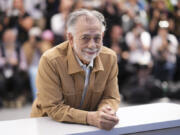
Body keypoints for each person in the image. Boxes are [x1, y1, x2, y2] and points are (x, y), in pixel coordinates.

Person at [31, 9, 120, 130]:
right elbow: (54, 108)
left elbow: (111, 97)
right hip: (49, 125)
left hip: (89, 128)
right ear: (70, 38)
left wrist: (105, 110)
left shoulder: (110, 58)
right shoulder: (51, 60)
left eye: (97, 38)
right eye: (85, 38)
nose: (92, 45)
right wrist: (90, 118)